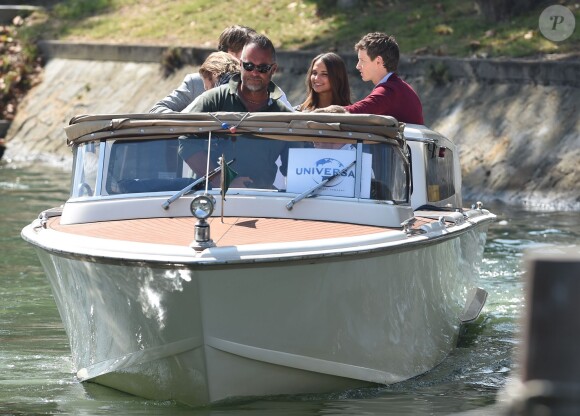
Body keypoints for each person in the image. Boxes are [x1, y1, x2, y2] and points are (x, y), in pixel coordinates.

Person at [179, 34, 292, 188]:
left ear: (273, 69)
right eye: (249, 66)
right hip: (212, 201)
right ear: (240, 65)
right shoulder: (213, 100)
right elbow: (185, 139)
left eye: (263, 68)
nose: (254, 73)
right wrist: (221, 180)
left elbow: (295, 166)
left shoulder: (284, 116)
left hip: (264, 202)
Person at [314, 32, 424, 125]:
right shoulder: (398, 87)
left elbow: (356, 112)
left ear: (378, 61)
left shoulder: (390, 91)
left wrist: (314, 115)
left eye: (362, 60)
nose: (357, 66)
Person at [149, 25, 256, 114]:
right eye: (248, 53)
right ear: (228, 54)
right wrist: (194, 120)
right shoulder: (196, 83)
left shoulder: (260, 85)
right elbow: (156, 111)